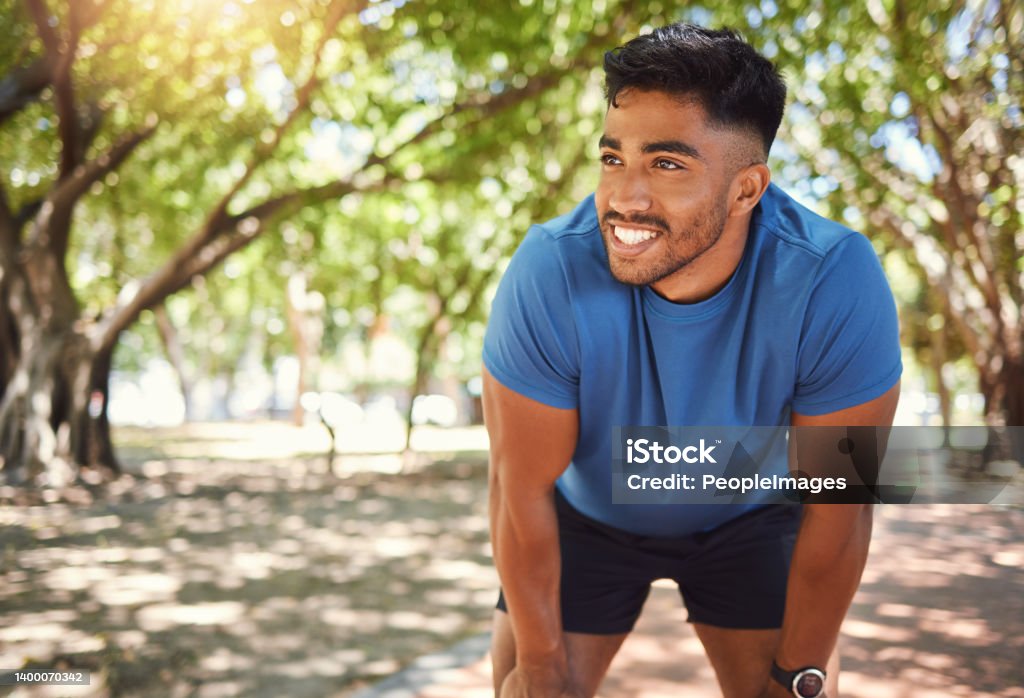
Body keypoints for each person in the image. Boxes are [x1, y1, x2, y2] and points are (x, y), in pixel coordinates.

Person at [481, 22, 902, 698]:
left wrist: (799, 675)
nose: (624, 198)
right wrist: (539, 665)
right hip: (586, 517)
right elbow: (518, 487)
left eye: (667, 164)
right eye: (613, 158)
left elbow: (841, 506)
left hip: (752, 516)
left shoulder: (833, 277)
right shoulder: (549, 268)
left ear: (747, 190)